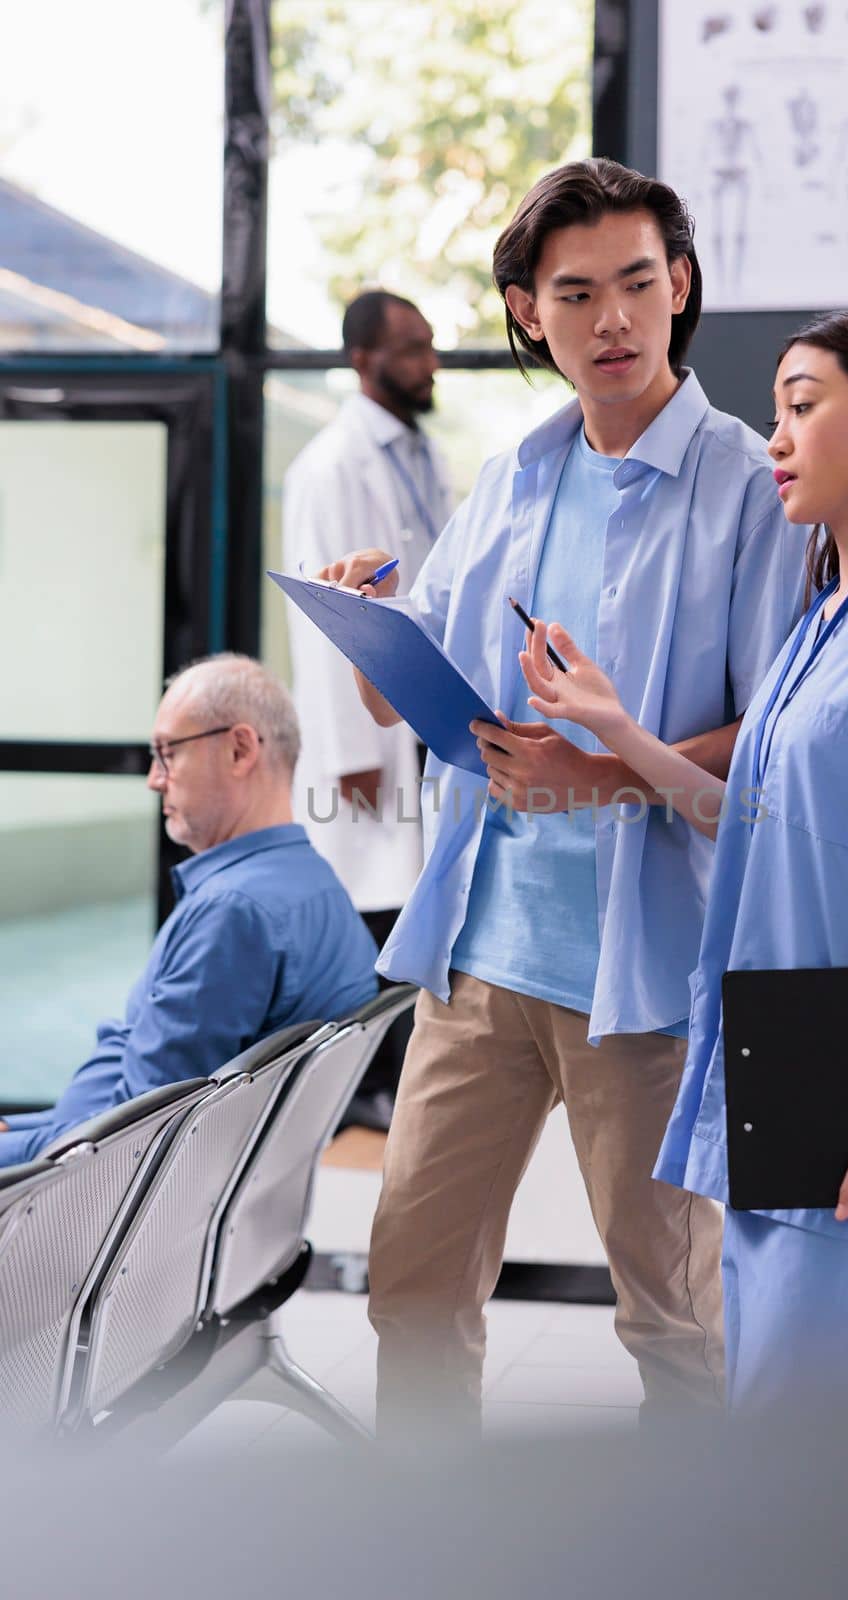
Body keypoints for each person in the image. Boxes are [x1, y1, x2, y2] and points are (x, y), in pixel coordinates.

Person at [319, 158, 808, 1436]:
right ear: (527, 312)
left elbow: (778, 735)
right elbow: (416, 698)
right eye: (575, 292)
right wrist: (366, 630)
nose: (612, 321)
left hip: (641, 975)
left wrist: (599, 768)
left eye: (638, 285)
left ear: (679, 286)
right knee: (411, 1292)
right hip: (480, 954)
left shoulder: (753, 487)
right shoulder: (511, 478)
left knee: (676, 1323)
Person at [517, 305, 848, 1408]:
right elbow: (748, 821)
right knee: (786, 1469)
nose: (775, 438)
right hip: (781, 1098)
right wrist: (617, 730)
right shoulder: (818, 625)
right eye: (773, 413)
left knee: (830, 1489)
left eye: (802, 407)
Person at [0, 655, 380, 1167]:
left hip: (79, 1206)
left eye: (168, 753)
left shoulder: (233, 914)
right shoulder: (314, 886)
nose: (154, 780)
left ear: (240, 749)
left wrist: (17, 1147)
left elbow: (126, 1139)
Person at [283, 290, 453, 1130]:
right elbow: (325, 617)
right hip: (365, 735)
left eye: (429, 347)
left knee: (407, 898)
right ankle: (359, 1091)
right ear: (362, 360)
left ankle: (390, 1081)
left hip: (418, 719)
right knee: (369, 908)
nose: (429, 364)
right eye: (411, 349)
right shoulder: (331, 466)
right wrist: (350, 745)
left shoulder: (418, 454)